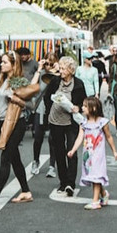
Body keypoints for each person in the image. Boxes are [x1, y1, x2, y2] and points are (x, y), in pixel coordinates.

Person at [0, 51, 34, 206]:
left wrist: (16, 99)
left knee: (5, 158)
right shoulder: (1, 79)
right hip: (1, 123)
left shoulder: (18, 81)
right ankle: (26, 191)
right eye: (1, 62)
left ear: (13, 64)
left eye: (5, 62)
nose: (1, 65)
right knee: (14, 159)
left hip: (16, 124)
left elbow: (31, 105)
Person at [67, 97, 117, 209]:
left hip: (98, 155)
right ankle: (104, 194)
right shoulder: (83, 123)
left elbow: (109, 137)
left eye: (85, 106)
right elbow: (79, 138)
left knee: (96, 175)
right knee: (94, 176)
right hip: (88, 155)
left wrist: (114, 151)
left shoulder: (102, 122)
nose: (82, 108)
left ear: (94, 108)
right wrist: (73, 150)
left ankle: (95, 201)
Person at [44, 56, 86, 196]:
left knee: (71, 152)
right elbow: (47, 96)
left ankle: (70, 183)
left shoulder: (78, 84)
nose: (60, 71)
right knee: (59, 152)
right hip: (55, 121)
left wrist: (77, 107)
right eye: (60, 68)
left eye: (63, 68)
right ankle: (63, 182)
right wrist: (50, 108)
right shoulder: (55, 81)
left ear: (70, 70)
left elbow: (83, 102)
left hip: (71, 122)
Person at [31, 52, 59, 178]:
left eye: (51, 64)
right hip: (41, 108)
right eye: (46, 63)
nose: (49, 66)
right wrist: (39, 69)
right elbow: (34, 87)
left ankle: (52, 166)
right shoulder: (41, 74)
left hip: (54, 109)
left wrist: (57, 71)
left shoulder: (58, 76)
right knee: (38, 137)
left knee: (53, 138)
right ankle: (35, 161)